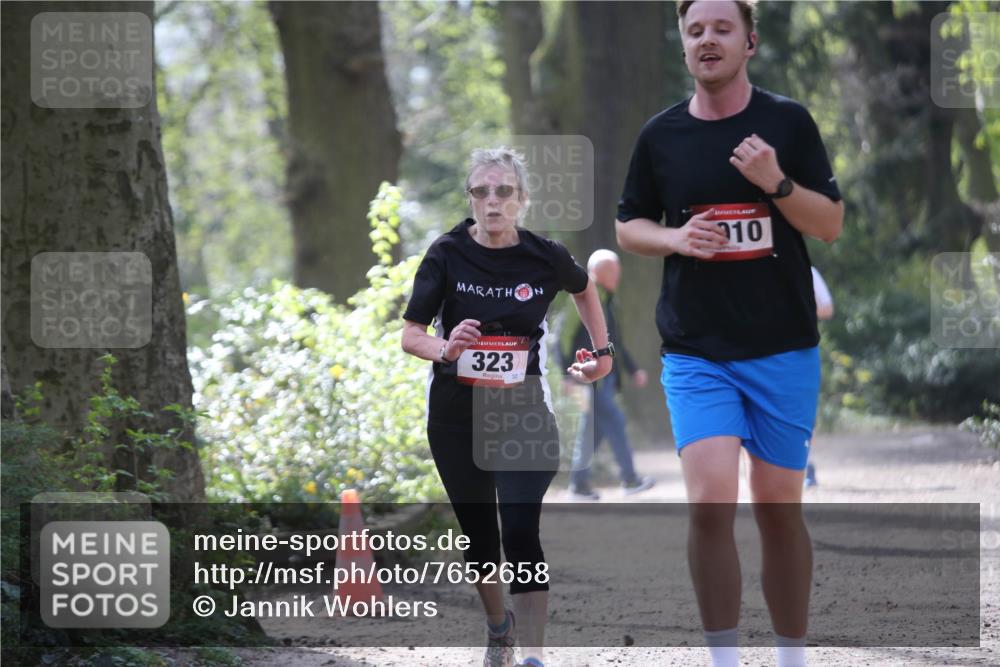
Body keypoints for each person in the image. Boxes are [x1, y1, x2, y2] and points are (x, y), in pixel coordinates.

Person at [614, 2, 844, 666]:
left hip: (783, 346)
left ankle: (791, 657)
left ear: (750, 41)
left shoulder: (787, 122)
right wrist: (677, 236)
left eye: (721, 28)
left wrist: (774, 180)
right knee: (710, 503)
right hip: (697, 350)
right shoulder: (661, 136)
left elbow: (828, 223)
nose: (707, 39)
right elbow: (629, 225)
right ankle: (723, 660)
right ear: (683, 48)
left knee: (777, 509)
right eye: (694, 31)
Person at [401, 147, 612, 667]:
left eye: (503, 192)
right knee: (480, 539)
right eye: (480, 192)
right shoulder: (446, 253)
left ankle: (535, 656)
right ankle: (500, 627)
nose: (492, 202)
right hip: (456, 414)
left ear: (521, 199)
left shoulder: (544, 256)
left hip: (522, 410)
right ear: (470, 199)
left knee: (520, 530)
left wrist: (602, 353)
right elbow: (411, 335)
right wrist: (446, 349)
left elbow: (585, 290)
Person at [562, 249, 656, 500]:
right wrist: (566, 375)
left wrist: (632, 369)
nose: (618, 275)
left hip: (605, 377)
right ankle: (629, 479)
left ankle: (578, 484)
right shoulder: (581, 297)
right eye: (612, 270)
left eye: (617, 270)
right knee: (615, 421)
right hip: (587, 377)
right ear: (596, 272)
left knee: (593, 431)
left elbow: (614, 344)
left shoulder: (610, 301)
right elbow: (561, 338)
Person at [804, 266, 834, 487]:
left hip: (799, 350)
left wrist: (795, 307)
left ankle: (805, 464)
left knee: (803, 410)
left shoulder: (809, 271)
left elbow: (826, 308)